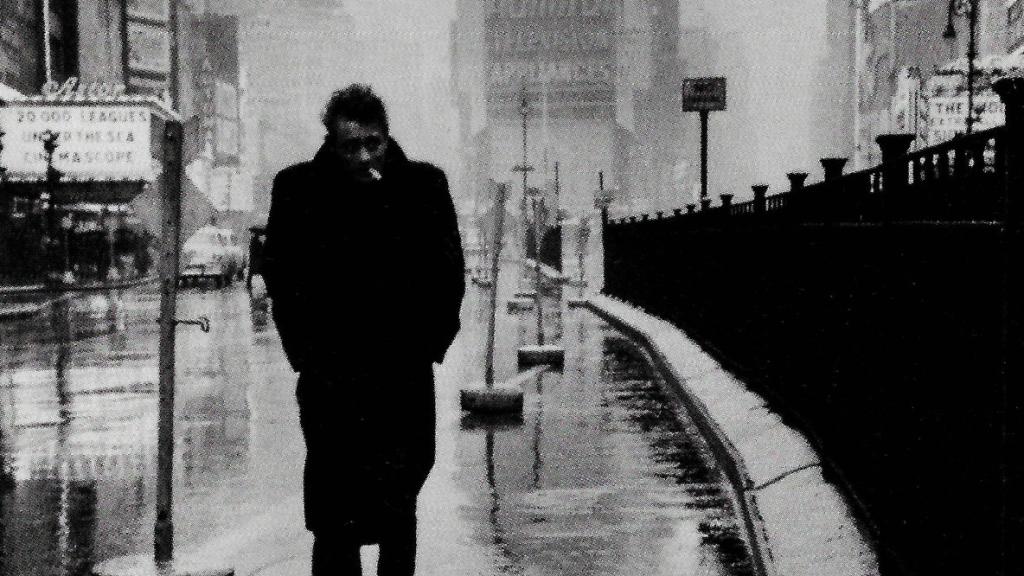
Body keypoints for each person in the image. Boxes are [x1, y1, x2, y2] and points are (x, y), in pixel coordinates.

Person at [261, 84, 465, 576]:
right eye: (350, 145)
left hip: (401, 375)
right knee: (334, 513)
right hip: (331, 378)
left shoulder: (422, 187)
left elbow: (447, 272)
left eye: (372, 142)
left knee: (399, 504)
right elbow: (281, 275)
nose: (363, 155)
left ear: (386, 137)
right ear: (332, 142)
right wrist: (305, 353)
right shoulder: (298, 189)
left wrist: (428, 346)